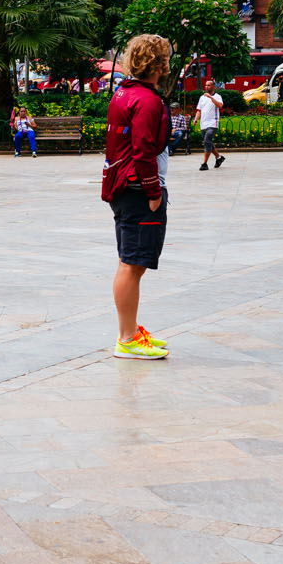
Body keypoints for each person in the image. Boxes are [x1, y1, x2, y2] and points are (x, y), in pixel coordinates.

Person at [101, 34, 173, 360]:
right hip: (137, 188)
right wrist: (153, 191)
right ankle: (126, 338)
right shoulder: (146, 100)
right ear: (158, 62)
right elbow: (143, 150)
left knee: (132, 263)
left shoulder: (125, 92)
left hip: (124, 185)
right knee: (131, 264)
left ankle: (129, 330)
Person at [194, 78, 224, 171]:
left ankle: (204, 163)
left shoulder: (217, 96)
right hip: (203, 124)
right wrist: (196, 119)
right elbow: (199, 110)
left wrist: (211, 98)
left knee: (207, 140)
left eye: (209, 85)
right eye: (206, 85)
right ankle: (219, 158)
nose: (207, 87)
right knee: (208, 142)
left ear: (213, 86)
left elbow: (220, 105)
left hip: (213, 123)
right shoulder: (202, 98)